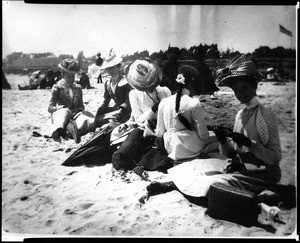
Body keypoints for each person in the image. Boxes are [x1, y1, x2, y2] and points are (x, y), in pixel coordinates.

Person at [146, 54, 282, 204]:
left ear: (254, 86)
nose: (240, 94)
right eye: (236, 90)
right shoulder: (240, 115)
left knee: (216, 180)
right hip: (241, 166)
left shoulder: (266, 116)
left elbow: (275, 157)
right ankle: (177, 185)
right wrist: (223, 140)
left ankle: (175, 186)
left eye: (244, 88)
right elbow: (231, 153)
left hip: (263, 171)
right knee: (195, 166)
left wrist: (250, 144)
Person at [111, 59, 172, 172]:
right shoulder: (134, 94)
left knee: (161, 147)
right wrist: (153, 109)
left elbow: (169, 115)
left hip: (163, 128)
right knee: (135, 138)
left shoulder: (164, 91)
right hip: (144, 128)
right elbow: (138, 118)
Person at [156, 65, 219, 164]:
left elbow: (159, 132)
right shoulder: (193, 102)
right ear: (191, 85)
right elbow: (204, 136)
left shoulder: (164, 102)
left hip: (169, 146)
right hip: (188, 147)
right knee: (221, 139)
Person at [48, 58, 95, 143]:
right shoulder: (57, 87)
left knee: (87, 117)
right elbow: (50, 108)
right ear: (62, 75)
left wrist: (79, 109)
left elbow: (81, 106)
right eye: (68, 77)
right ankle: (59, 131)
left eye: (73, 76)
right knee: (64, 112)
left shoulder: (78, 88)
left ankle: (72, 131)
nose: (71, 79)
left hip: (75, 115)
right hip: (61, 115)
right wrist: (61, 108)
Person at [94, 49, 132, 128]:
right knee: (98, 119)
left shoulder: (125, 81)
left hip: (126, 111)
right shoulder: (108, 83)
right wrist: (101, 109)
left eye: (111, 67)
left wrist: (122, 109)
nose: (109, 70)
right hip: (116, 109)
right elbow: (106, 100)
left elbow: (128, 100)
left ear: (118, 67)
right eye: (108, 68)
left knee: (111, 123)